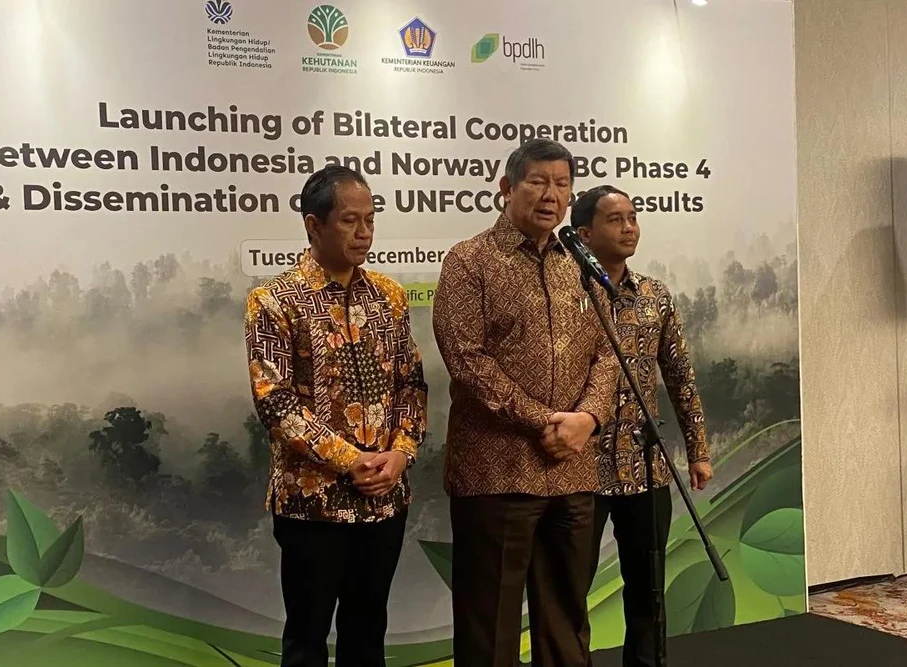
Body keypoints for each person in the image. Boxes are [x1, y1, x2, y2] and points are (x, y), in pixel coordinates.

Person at [432, 138, 621, 667]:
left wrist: (588, 417)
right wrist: (545, 422)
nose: (551, 195)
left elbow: (608, 353)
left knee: (566, 620)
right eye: (538, 182)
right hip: (496, 472)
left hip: (573, 471)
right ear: (506, 188)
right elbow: (467, 361)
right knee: (489, 627)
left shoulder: (581, 263)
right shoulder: (470, 262)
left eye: (562, 184)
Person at [244, 165, 428, 667]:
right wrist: (352, 460)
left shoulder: (389, 297)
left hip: (385, 500)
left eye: (370, 220)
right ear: (313, 225)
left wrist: (401, 452)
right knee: (306, 639)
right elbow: (276, 402)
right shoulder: (274, 301)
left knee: (367, 634)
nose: (364, 232)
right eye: (350, 220)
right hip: (313, 505)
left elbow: (412, 383)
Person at [570, 185, 713, 667]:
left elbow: (680, 375)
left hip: (644, 467)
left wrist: (698, 449)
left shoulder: (654, 295)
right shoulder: (565, 292)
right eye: (616, 219)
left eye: (633, 217)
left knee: (648, 587)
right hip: (577, 470)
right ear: (584, 233)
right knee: (570, 591)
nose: (629, 227)